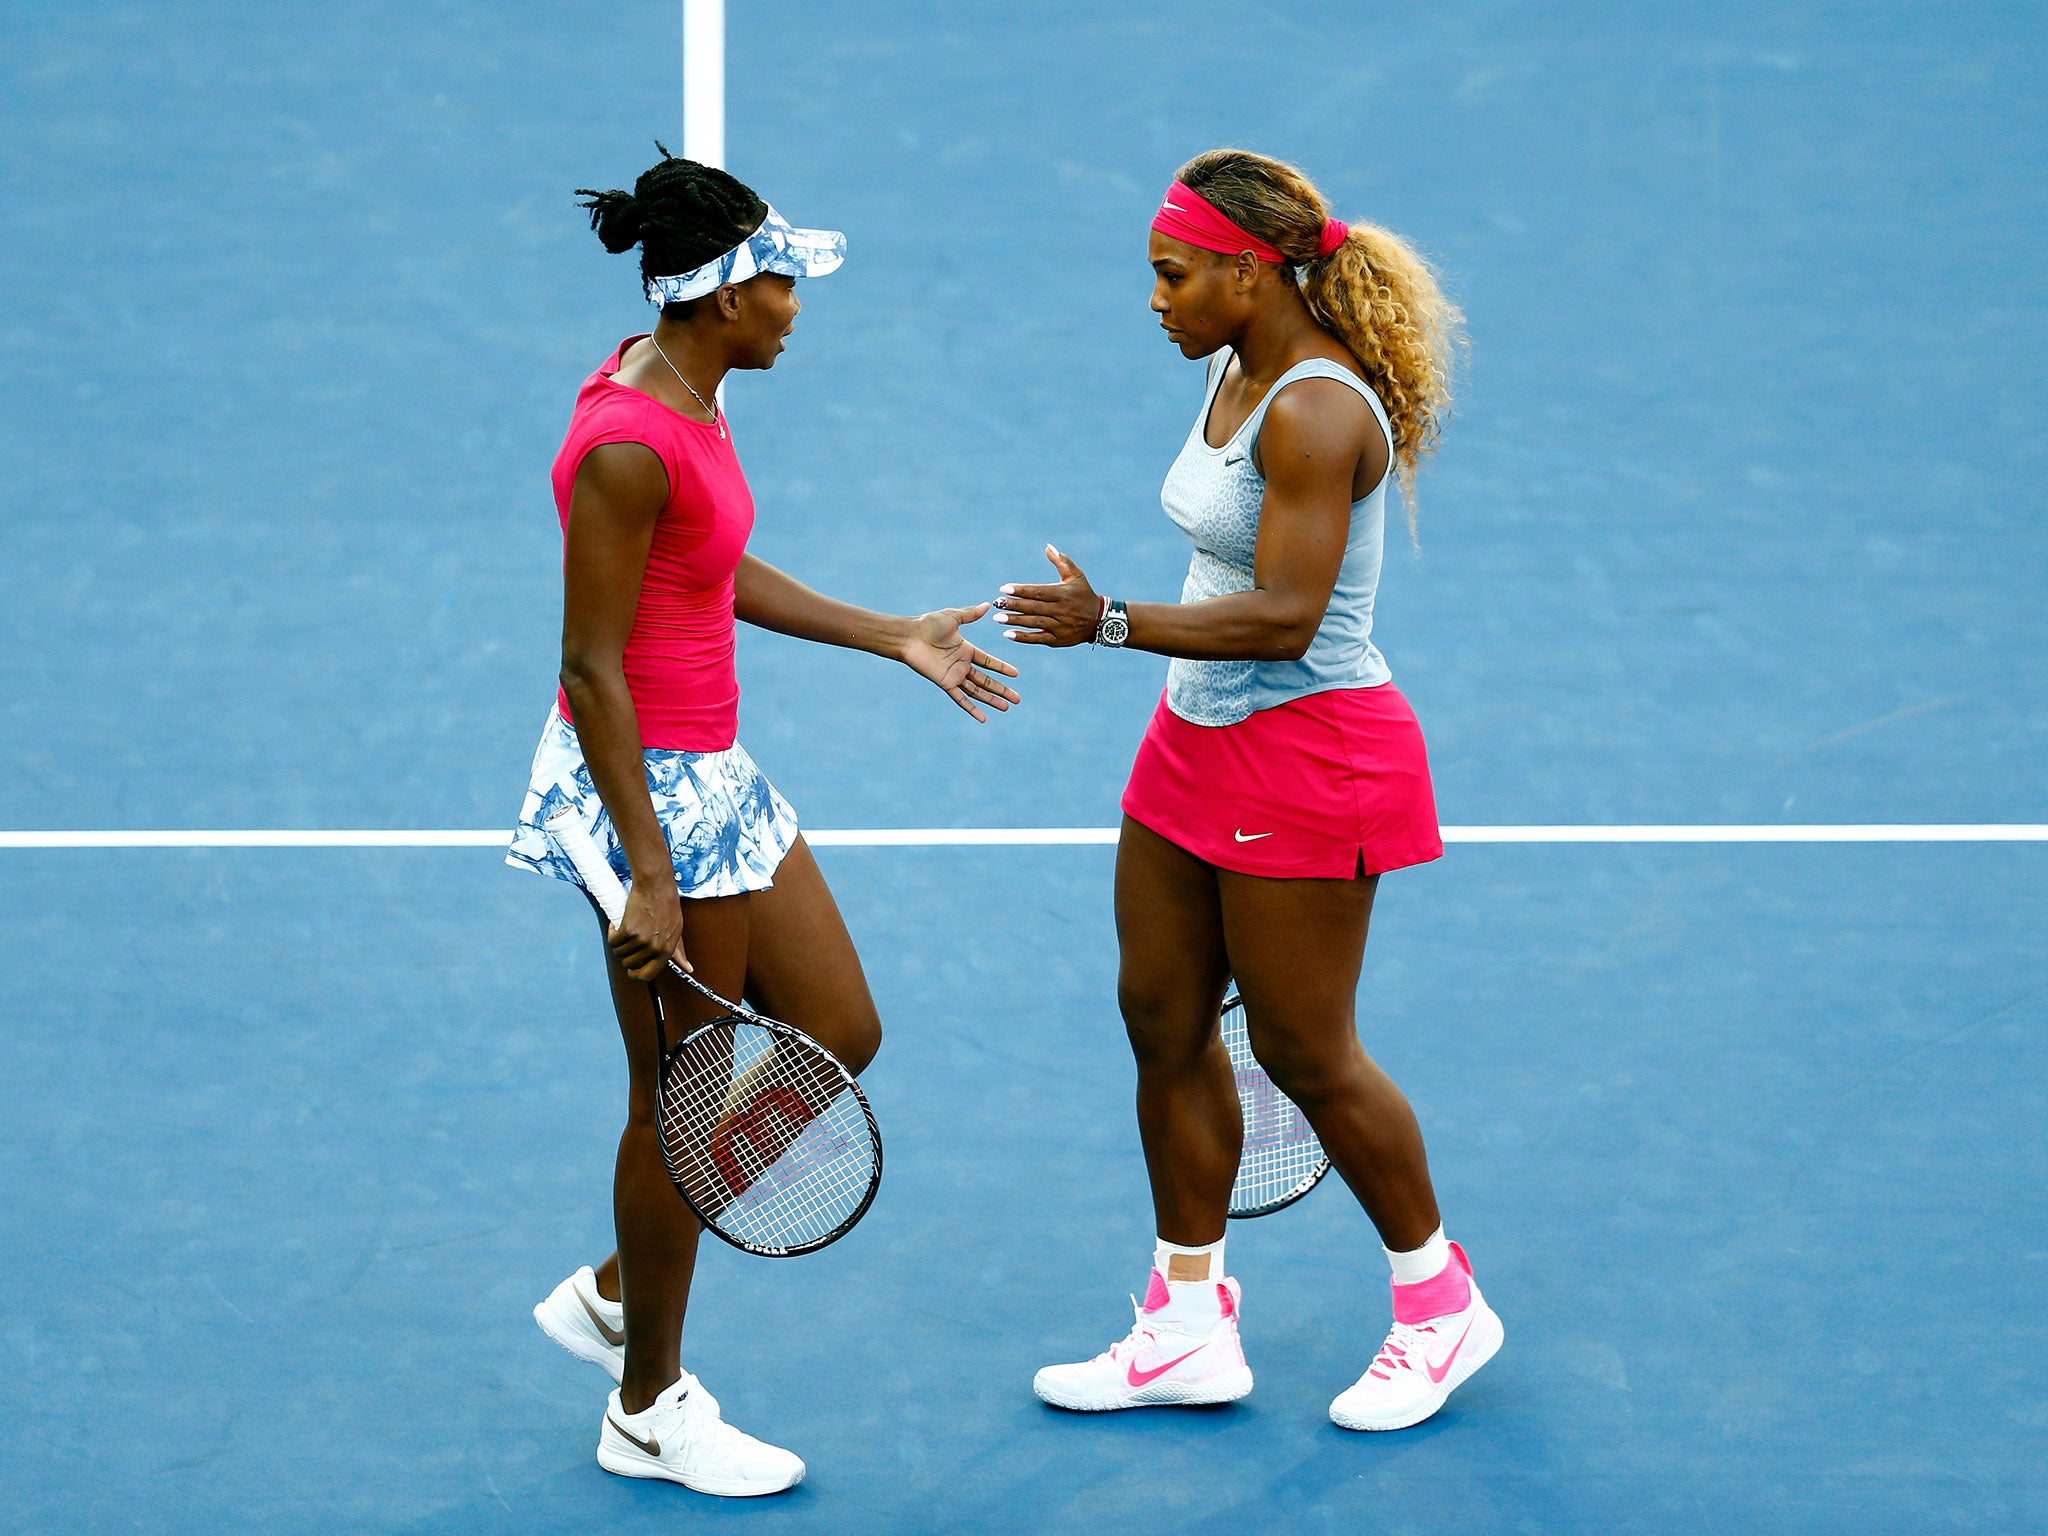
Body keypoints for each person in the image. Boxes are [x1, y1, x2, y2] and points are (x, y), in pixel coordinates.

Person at [505, 147, 1019, 1496]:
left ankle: (624, 1281)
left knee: (839, 1029)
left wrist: (893, 633)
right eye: (782, 283)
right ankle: (645, 1406)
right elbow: (590, 666)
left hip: (716, 777)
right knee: (677, 1106)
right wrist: (651, 879)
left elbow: (711, 568)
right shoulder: (630, 443)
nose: (798, 304)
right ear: (724, 297)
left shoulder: (690, 390)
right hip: (653, 796)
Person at [996, 148, 1500, 1432]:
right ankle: (1183, 1325)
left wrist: (1106, 621)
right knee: (1160, 1017)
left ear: (1244, 269)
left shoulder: (1316, 411)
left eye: (1170, 275)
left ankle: (1440, 1307)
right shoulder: (1234, 364)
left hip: (1312, 754)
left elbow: (1283, 617)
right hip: (1188, 742)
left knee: (1300, 1050)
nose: (1153, 300)